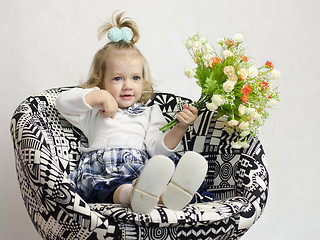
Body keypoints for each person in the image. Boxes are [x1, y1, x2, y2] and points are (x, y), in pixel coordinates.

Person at [56, 12, 209, 214]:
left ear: (143, 80)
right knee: (111, 187)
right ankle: (135, 195)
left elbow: (158, 151)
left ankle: (167, 195)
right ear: (101, 80)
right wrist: (99, 96)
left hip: (143, 171)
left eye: (135, 78)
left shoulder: (149, 112)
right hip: (104, 171)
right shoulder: (93, 111)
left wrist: (180, 127)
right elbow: (61, 102)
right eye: (118, 79)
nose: (128, 86)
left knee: (163, 168)